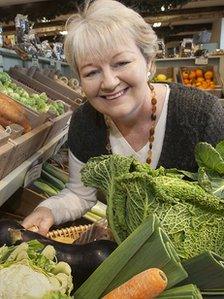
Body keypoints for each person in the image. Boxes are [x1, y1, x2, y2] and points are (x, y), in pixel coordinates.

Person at [22, 0, 224, 235]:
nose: (108, 82)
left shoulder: (202, 115)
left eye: (121, 63)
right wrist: (48, 211)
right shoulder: (85, 122)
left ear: (148, 61)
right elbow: (79, 194)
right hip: (128, 253)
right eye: (91, 72)